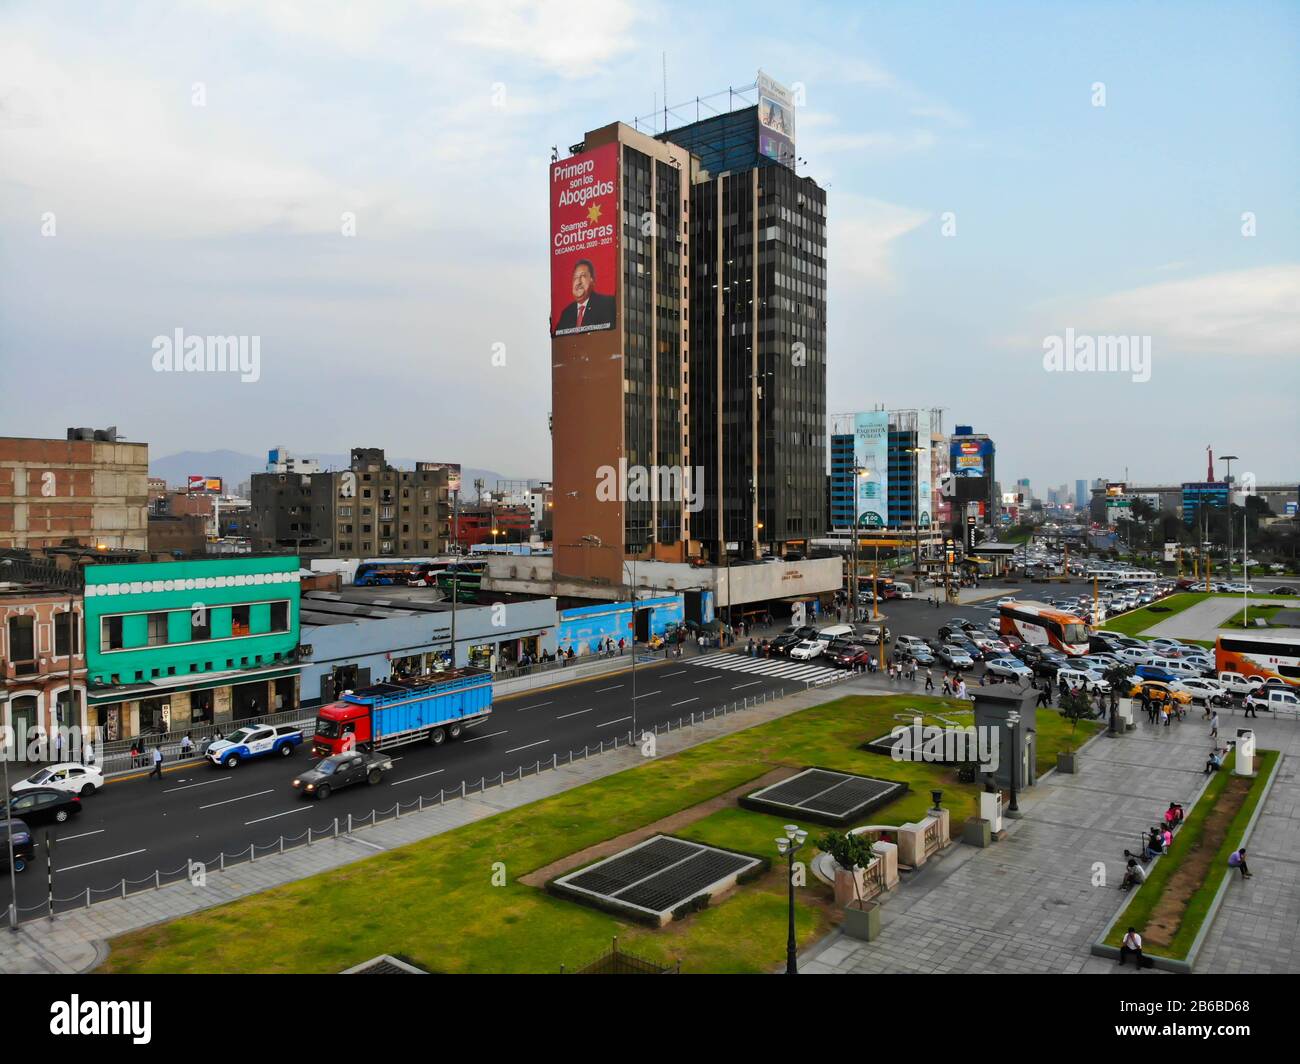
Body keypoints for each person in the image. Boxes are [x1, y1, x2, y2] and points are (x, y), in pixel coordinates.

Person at [553, 258, 616, 334]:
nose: (578, 282)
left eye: (583, 276)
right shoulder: (566, 313)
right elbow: (557, 340)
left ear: (592, 280)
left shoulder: (607, 304)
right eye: (575, 277)